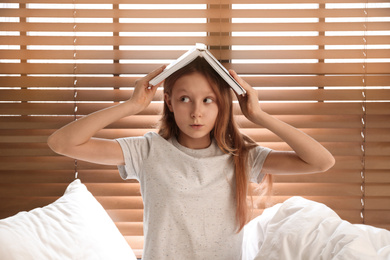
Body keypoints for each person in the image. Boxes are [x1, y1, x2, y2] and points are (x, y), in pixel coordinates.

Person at [48, 57, 335, 260]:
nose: (196, 112)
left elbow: (321, 162)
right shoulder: (147, 151)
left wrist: (258, 115)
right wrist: (131, 105)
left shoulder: (242, 156)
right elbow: (61, 143)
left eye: (208, 100)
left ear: (222, 105)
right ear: (169, 102)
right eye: (185, 99)